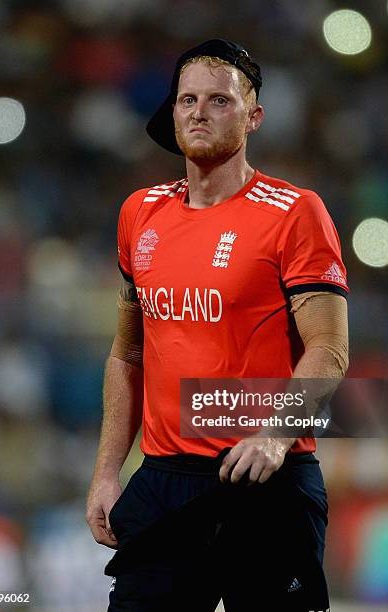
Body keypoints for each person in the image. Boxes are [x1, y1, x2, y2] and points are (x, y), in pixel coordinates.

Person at [86, 39, 349, 612]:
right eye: (187, 99)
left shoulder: (296, 211)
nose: (199, 111)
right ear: (173, 113)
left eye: (219, 100)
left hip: (267, 481)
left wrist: (275, 437)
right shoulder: (140, 213)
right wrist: (108, 472)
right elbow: (129, 352)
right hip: (165, 485)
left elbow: (329, 349)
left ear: (253, 117)